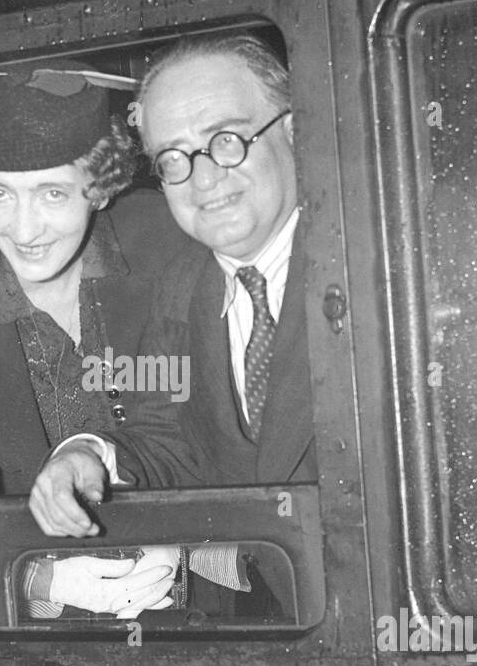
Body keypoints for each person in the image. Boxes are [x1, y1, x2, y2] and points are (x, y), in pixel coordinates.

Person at [28, 34, 315, 544]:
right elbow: (168, 442)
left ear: (295, 133)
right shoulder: (184, 283)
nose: (202, 179)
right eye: (173, 157)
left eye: (226, 140)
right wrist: (87, 455)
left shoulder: (380, 264)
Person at [0, 61, 187, 618]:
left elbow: (223, 435)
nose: (24, 230)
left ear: (99, 186)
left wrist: (195, 535)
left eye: (52, 194)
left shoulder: (169, 243)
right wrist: (39, 578)